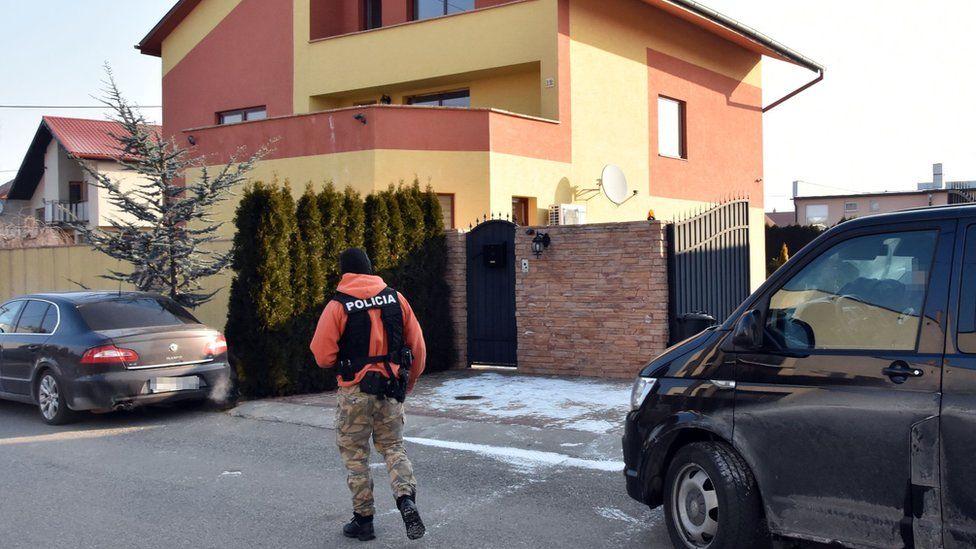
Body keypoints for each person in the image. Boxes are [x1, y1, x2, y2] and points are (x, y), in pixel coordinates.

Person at [310, 248, 427, 542]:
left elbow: (322, 354)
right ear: (370, 268)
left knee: (355, 455)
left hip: (355, 392)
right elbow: (418, 347)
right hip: (391, 389)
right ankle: (405, 499)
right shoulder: (396, 299)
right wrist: (408, 381)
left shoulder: (338, 305)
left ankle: (363, 521)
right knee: (393, 447)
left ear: (344, 272)